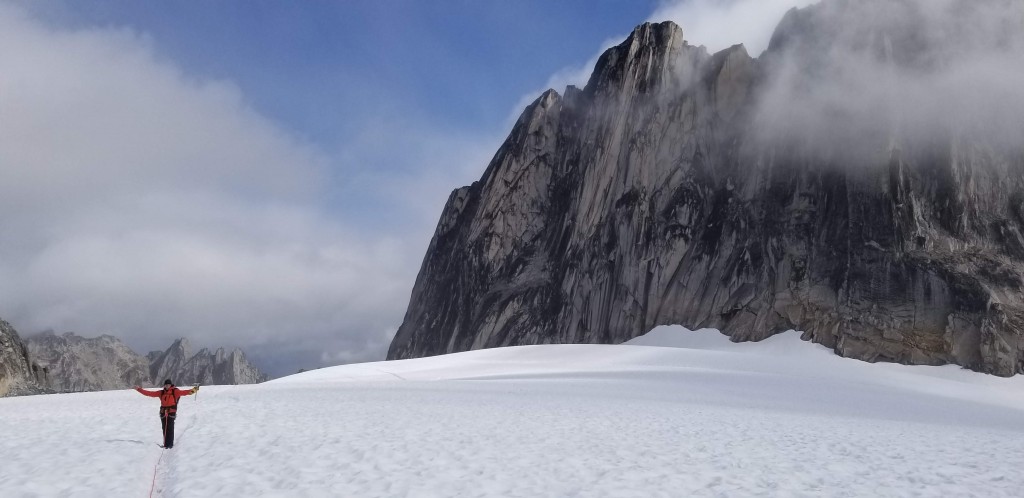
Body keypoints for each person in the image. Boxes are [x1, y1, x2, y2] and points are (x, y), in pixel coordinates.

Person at [134, 379, 198, 449]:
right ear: (164, 385)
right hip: (163, 412)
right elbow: (149, 393)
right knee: (164, 428)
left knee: (170, 428)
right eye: (166, 384)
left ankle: (170, 445)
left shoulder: (175, 391)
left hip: (171, 412)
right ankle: (165, 444)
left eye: (168, 384)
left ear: (171, 385)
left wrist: (195, 389)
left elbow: (186, 392)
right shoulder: (161, 393)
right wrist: (139, 389)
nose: (167, 386)